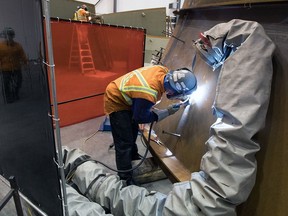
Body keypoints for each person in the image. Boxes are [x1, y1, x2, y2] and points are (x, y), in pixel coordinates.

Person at [104, 65, 197, 185]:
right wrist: (166, 112)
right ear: (174, 90)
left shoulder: (163, 70)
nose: (179, 97)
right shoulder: (149, 93)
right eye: (179, 95)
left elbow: (143, 101)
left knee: (131, 133)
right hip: (116, 99)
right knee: (124, 143)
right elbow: (140, 118)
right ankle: (125, 179)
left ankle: (133, 159)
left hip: (127, 92)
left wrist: (145, 106)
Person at [0, 27, 27, 103]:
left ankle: (15, 93)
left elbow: (22, 55)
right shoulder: (1, 46)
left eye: (10, 35)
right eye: (7, 35)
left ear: (13, 36)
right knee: (6, 83)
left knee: (19, 81)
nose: (9, 37)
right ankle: (8, 97)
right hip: (5, 69)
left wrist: (25, 63)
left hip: (16, 67)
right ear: (5, 36)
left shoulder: (17, 46)